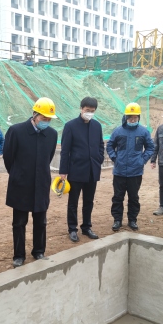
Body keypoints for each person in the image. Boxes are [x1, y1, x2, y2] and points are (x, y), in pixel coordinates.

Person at [3, 97, 58, 267]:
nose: (46, 121)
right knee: (19, 222)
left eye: (49, 119)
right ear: (34, 114)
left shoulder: (52, 134)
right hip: (21, 184)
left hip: (41, 183)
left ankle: (39, 250)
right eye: (43, 118)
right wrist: (18, 174)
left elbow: (48, 157)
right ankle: (19, 255)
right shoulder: (16, 131)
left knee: (41, 220)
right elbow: (8, 157)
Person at [59, 97, 104, 242]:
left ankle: (86, 227)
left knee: (89, 201)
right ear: (81, 109)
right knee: (73, 201)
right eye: (87, 110)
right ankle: (72, 228)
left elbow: (100, 145)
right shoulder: (70, 126)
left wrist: (99, 159)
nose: (89, 113)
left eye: (92, 111)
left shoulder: (97, 126)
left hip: (92, 170)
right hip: (76, 170)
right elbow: (65, 150)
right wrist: (63, 171)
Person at [106, 103, 155, 232]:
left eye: (135, 118)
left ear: (138, 117)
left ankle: (132, 220)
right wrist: (115, 158)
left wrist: (142, 160)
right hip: (119, 171)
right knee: (118, 197)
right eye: (130, 118)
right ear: (125, 117)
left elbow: (150, 147)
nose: (132, 120)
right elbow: (110, 145)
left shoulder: (143, 132)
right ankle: (117, 220)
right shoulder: (118, 131)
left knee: (134, 197)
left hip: (135, 172)